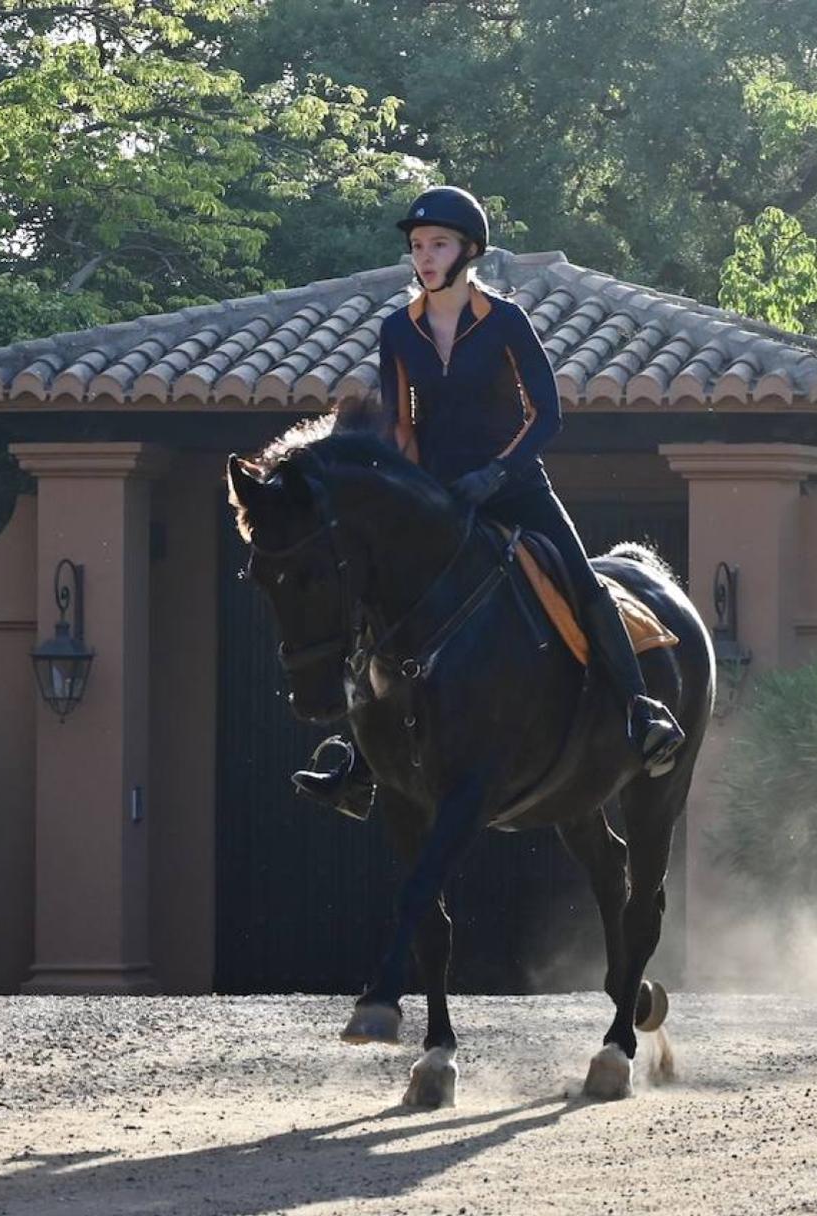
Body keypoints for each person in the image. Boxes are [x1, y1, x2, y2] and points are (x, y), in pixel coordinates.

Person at [293, 186, 685, 814]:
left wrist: (497, 475)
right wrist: (403, 490)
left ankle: (642, 712)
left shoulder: (504, 321)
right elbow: (400, 424)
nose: (424, 256)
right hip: (439, 496)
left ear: (468, 251)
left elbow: (546, 414)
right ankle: (358, 757)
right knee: (374, 598)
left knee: (584, 585)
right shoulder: (398, 329)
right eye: (417, 246)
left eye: (437, 245)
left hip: (516, 488)